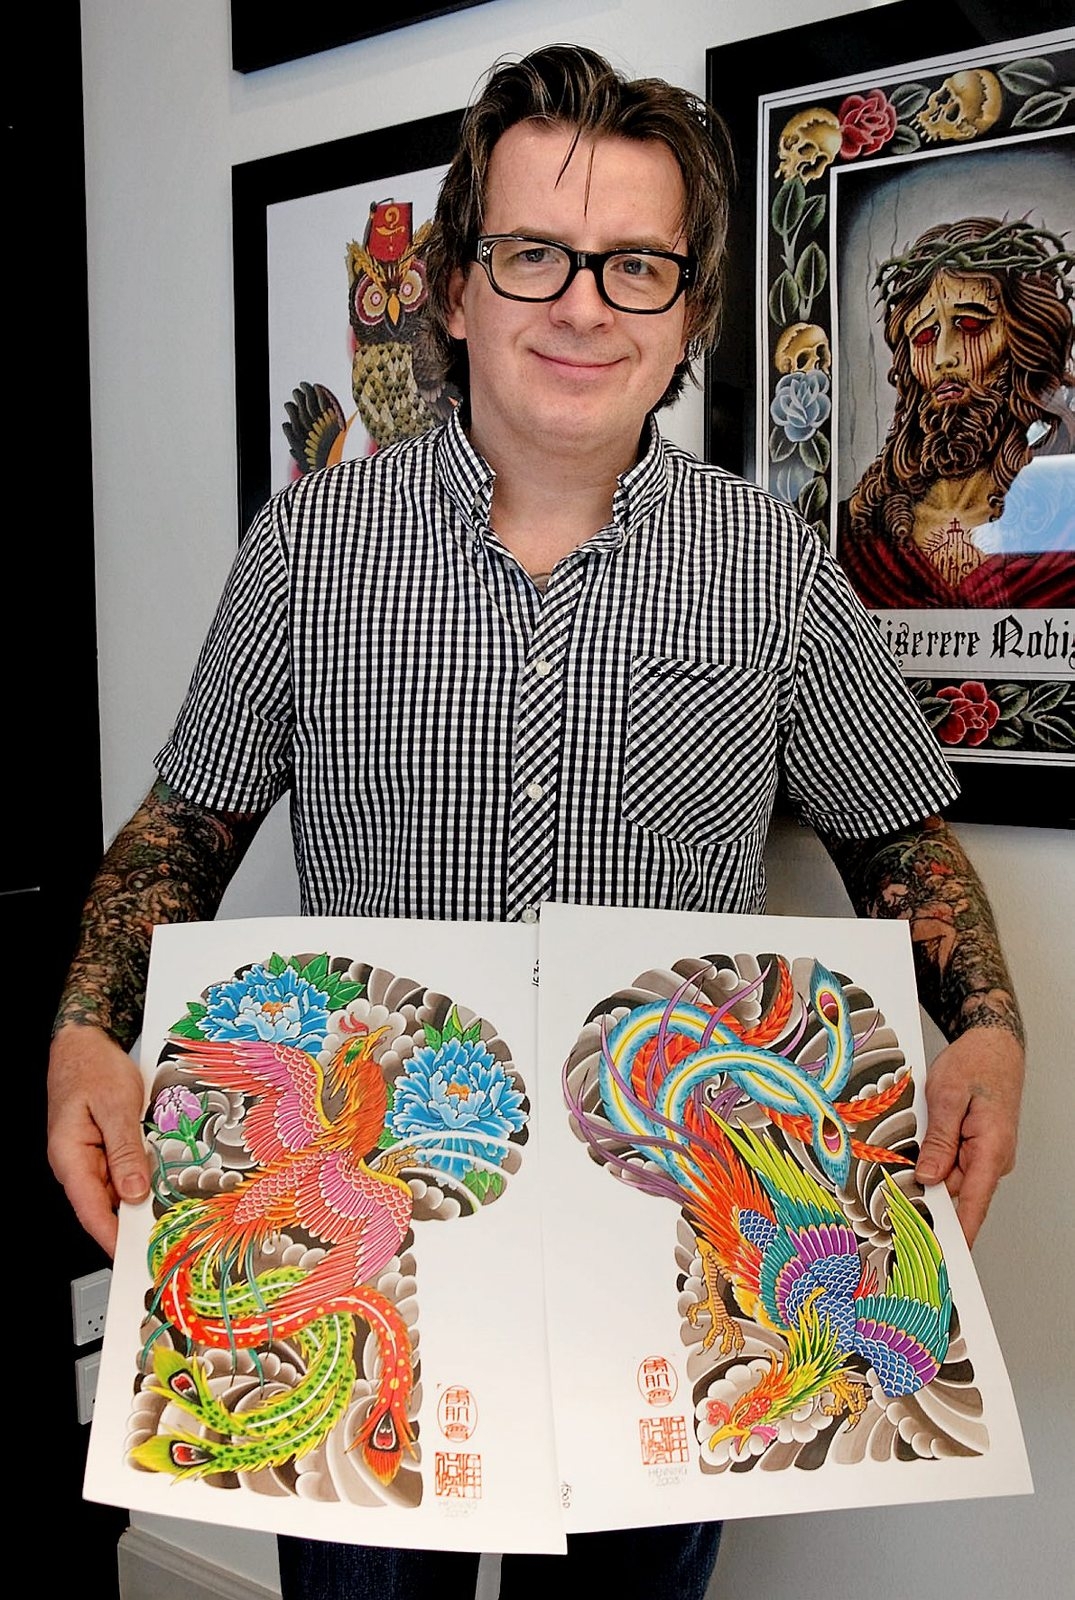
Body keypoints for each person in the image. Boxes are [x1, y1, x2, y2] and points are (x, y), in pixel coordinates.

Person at [48, 43, 1026, 1600]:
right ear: (453, 288)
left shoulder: (771, 564)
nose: (582, 305)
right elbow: (187, 824)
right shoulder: (308, 544)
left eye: (636, 265)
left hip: (666, 1230)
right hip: (372, 1237)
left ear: (688, 314)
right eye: (533, 255)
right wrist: (88, 1032)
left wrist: (982, 1029)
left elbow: (895, 839)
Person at [837, 214, 1075, 608]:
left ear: (1024, 340)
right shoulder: (861, 526)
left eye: (970, 325)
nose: (943, 357)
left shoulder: (1063, 507)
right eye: (924, 337)